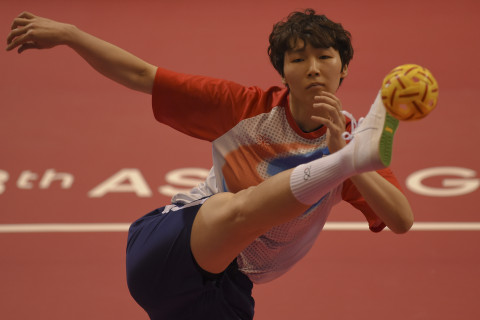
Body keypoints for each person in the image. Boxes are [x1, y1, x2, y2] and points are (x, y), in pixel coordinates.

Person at [6, 9, 413, 319]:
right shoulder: (245, 108)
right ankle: (337, 165)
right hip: (173, 246)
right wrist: (70, 35)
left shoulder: (350, 138)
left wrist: (347, 155)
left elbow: (401, 219)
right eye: (297, 59)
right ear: (284, 73)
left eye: (325, 57)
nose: (312, 68)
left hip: (224, 292)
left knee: (264, 205)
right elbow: (141, 74)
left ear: (343, 68)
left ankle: (340, 163)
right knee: (230, 208)